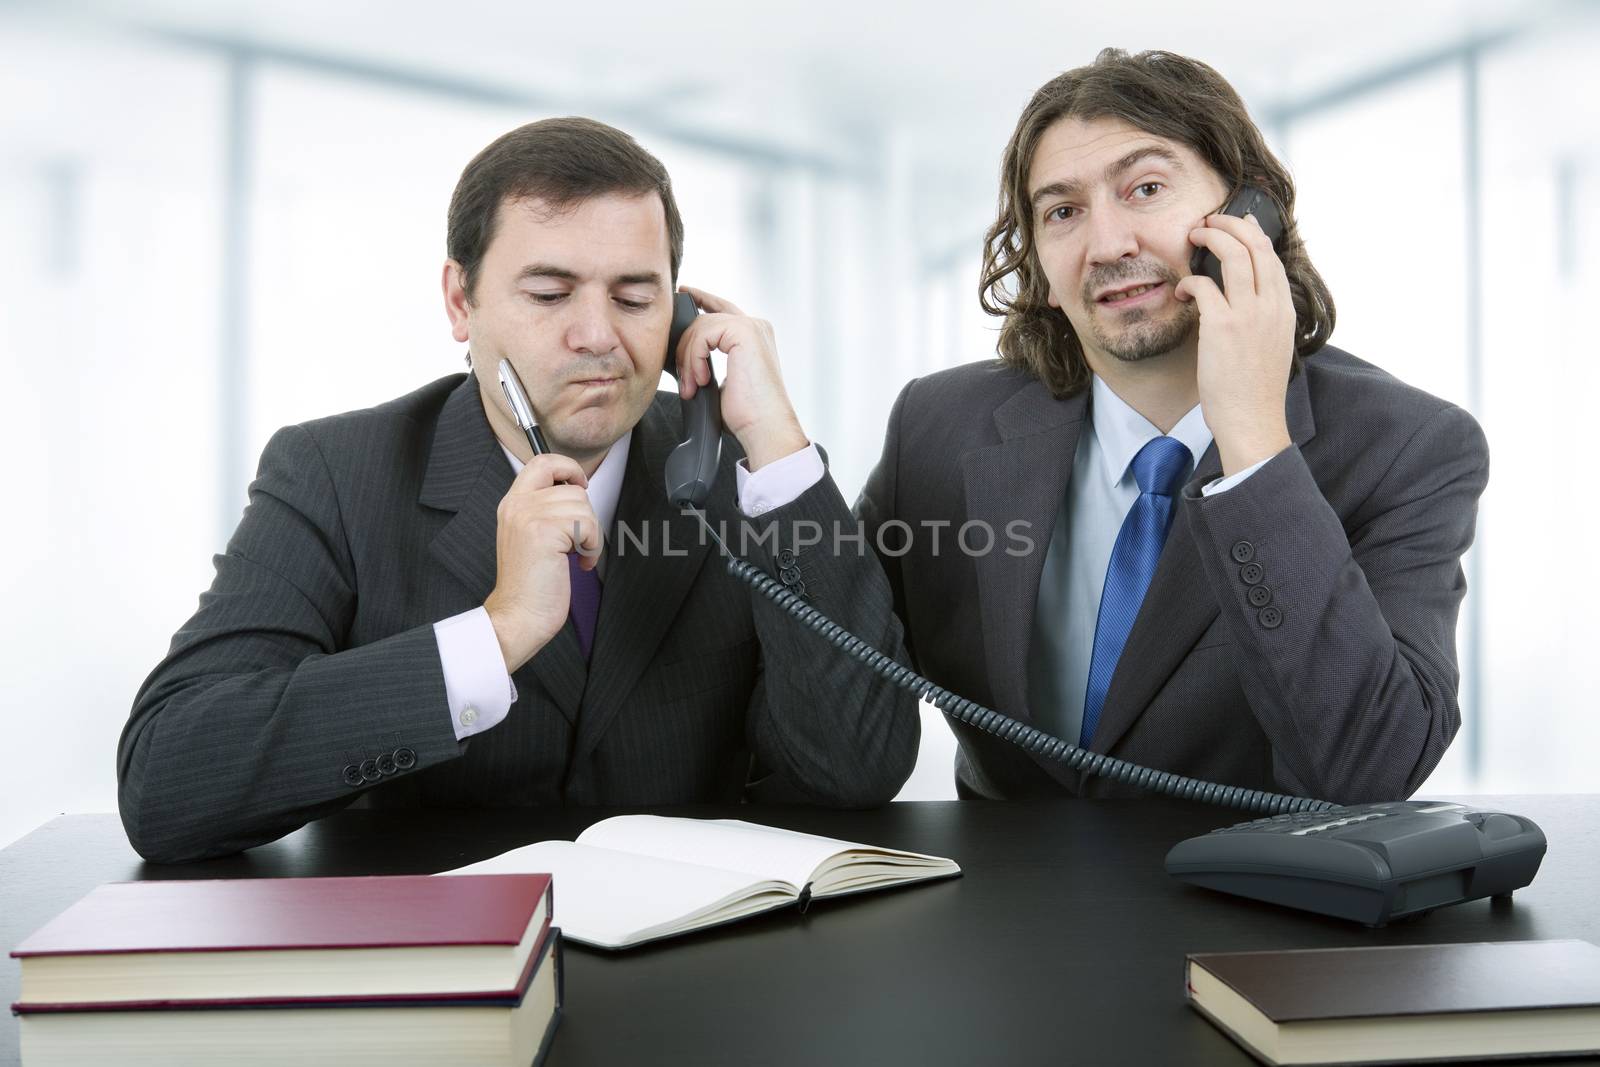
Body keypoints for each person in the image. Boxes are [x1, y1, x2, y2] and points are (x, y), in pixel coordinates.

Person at [119, 117, 918, 863]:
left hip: (694, 965)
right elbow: (168, 778)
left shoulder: (742, 474)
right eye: (549, 294)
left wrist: (776, 444)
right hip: (433, 968)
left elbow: (856, 769)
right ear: (461, 301)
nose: (599, 336)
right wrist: (495, 634)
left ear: (679, 311)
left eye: (636, 297)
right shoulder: (332, 472)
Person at [856, 49, 1486, 803]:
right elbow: (833, 690)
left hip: (1257, 913)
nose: (1108, 244)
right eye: (1063, 211)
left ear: (1249, 218)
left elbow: (1369, 768)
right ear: (1041, 268)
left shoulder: (1409, 448)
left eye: (1146, 189)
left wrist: (1254, 444)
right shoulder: (936, 427)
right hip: (1000, 904)